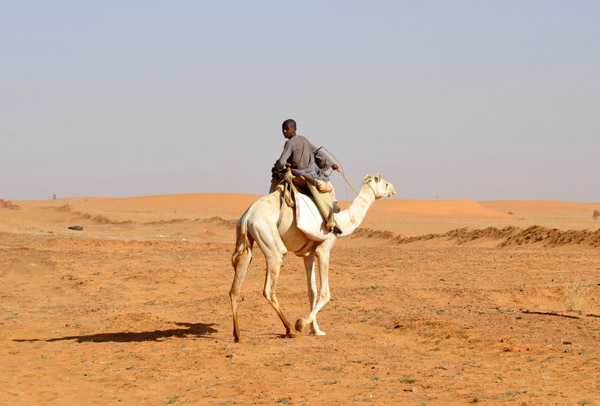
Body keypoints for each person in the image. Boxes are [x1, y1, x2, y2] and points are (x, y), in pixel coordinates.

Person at [272, 119, 342, 234]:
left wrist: (277, 168)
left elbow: (281, 161)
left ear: (294, 129)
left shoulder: (290, 143)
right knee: (322, 190)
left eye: (287, 129)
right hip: (314, 173)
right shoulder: (304, 139)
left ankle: (331, 222)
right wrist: (331, 163)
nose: (284, 132)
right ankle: (331, 213)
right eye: (283, 130)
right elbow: (317, 153)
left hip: (300, 176)